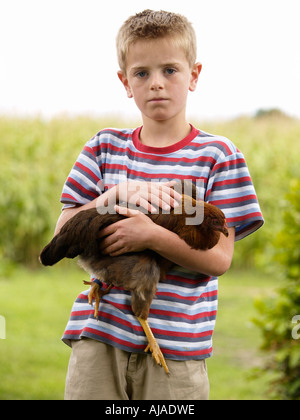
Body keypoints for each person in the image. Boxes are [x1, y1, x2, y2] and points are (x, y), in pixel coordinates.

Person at [55, 9, 264, 400]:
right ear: (125, 82)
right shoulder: (104, 148)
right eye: (142, 73)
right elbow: (61, 232)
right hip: (99, 337)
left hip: (177, 347)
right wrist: (114, 196)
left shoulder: (217, 156)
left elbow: (219, 258)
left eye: (170, 70)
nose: (156, 84)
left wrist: (149, 236)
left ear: (194, 75)